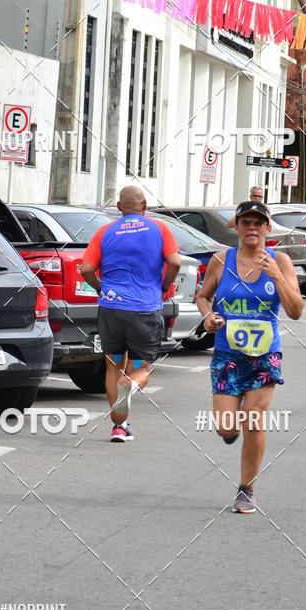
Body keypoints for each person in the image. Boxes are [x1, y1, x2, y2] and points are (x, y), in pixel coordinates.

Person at [196, 201, 303, 514]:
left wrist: (278, 277)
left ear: (268, 229)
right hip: (227, 355)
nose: (252, 227)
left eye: (259, 222)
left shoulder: (280, 261)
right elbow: (203, 296)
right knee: (226, 426)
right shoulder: (221, 260)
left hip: (264, 356)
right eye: (246, 222)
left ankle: (246, 489)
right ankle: (231, 432)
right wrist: (208, 317)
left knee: (254, 421)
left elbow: (296, 311)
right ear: (237, 227)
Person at [80, 186, 181, 442]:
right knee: (140, 366)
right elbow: (175, 262)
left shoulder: (105, 231)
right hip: (144, 310)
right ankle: (132, 384)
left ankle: (119, 425)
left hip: (112, 309)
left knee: (114, 365)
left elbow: (86, 268)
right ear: (144, 205)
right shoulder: (159, 229)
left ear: (118, 207)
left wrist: (102, 288)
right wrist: (164, 285)